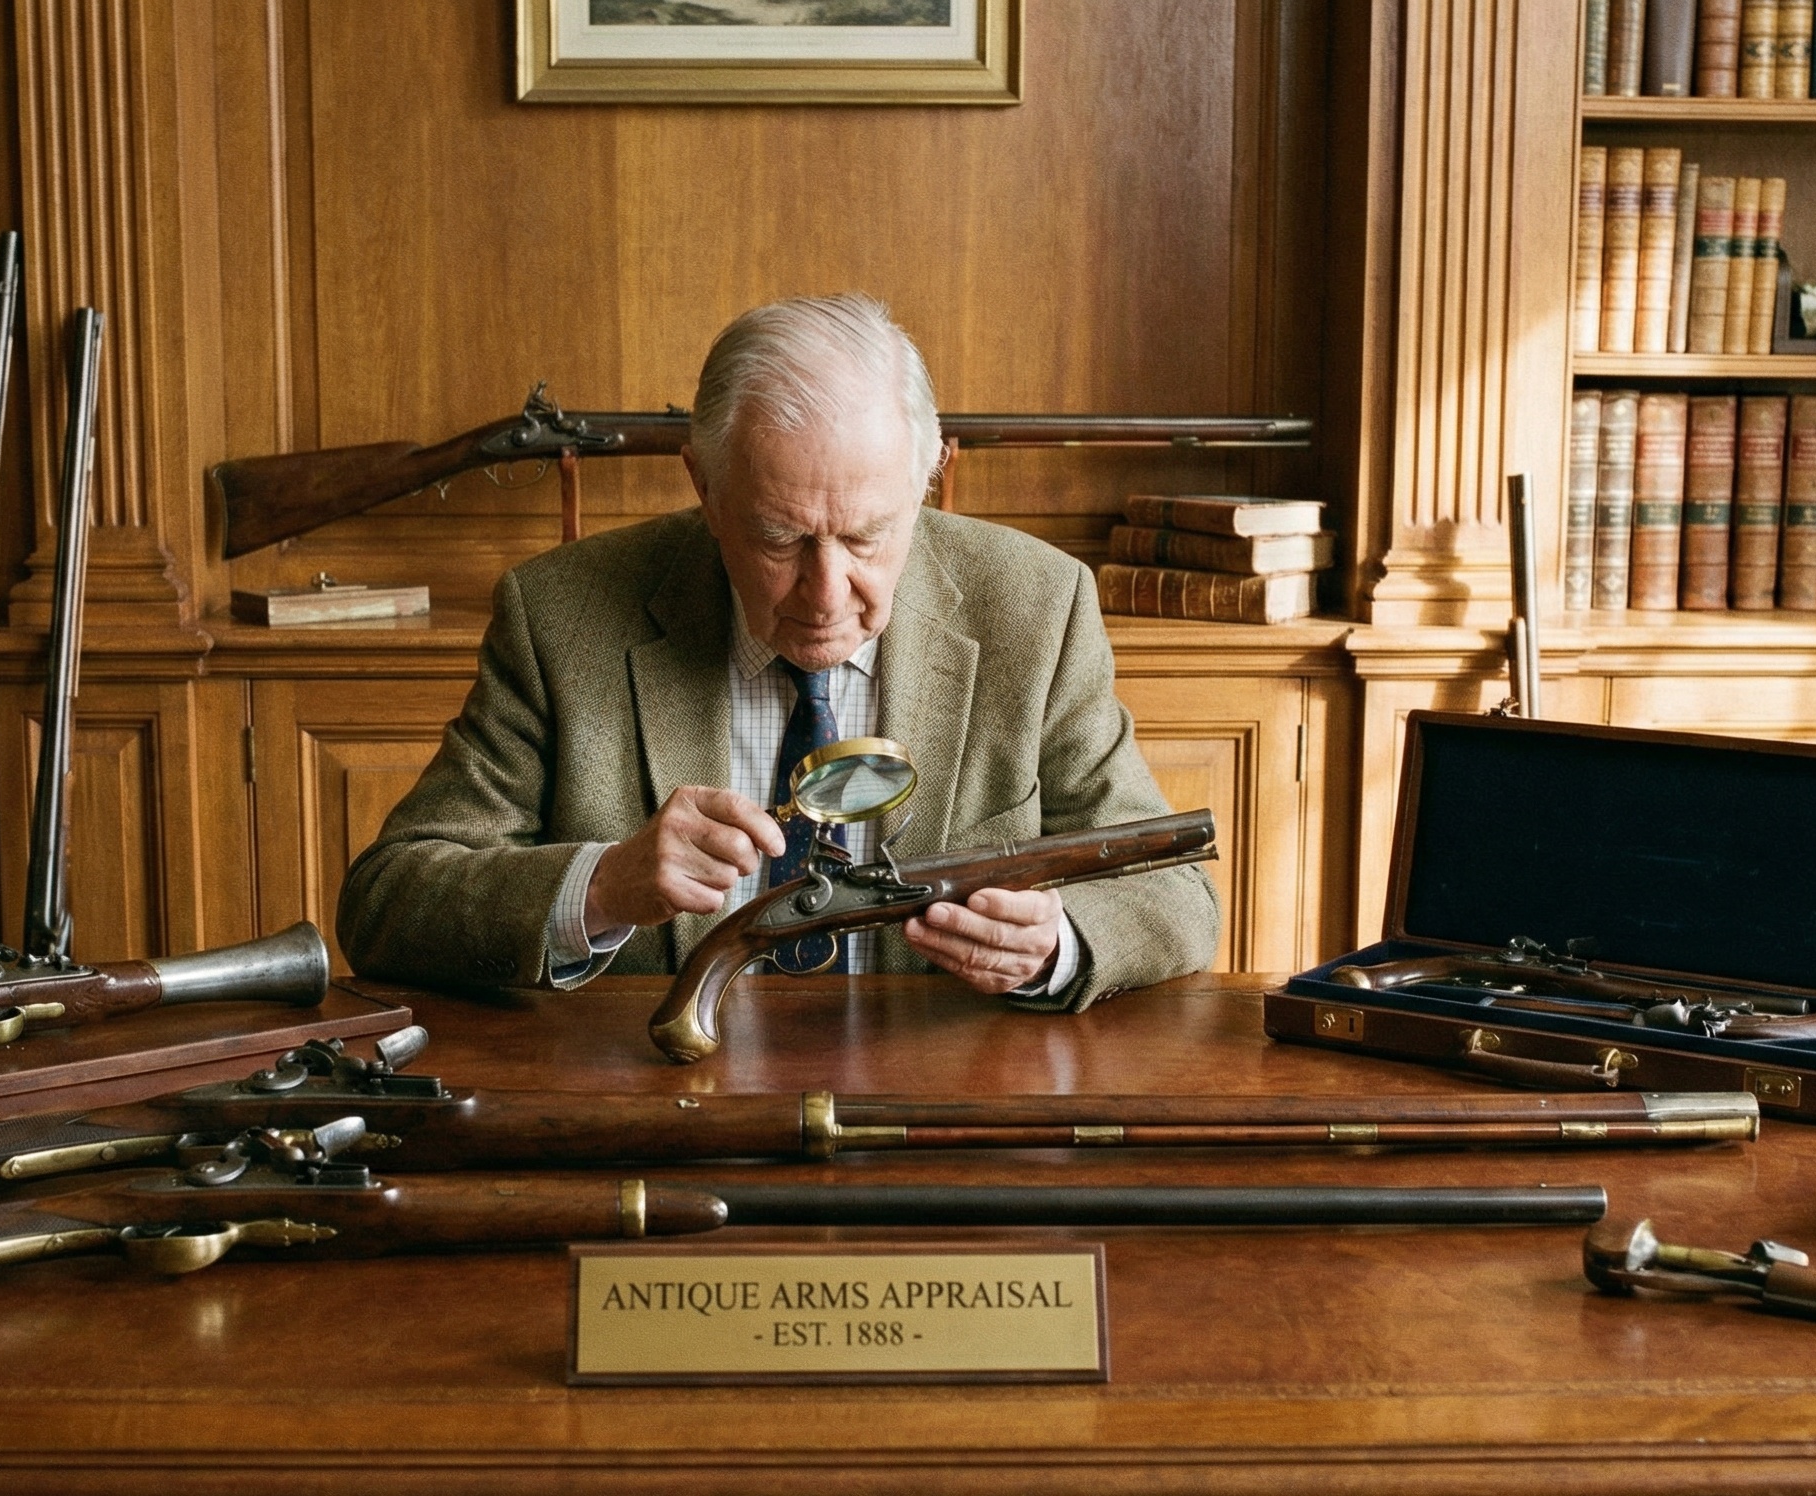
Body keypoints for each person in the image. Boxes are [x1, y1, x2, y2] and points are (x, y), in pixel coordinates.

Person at [337, 293, 1216, 1007]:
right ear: (703, 487)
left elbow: (1177, 895)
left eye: (868, 538)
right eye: (778, 538)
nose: (825, 594)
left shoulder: (1037, 605)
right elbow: (388, 902)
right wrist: (603, 885)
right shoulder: (560, 614)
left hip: (940, 1119)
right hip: (660, 1117)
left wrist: (1054, 941)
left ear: (929, 478)